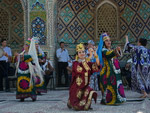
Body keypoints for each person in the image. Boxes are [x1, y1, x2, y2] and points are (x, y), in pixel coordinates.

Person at [67, 43, 100, 111]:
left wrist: (95, 53)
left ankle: (84, 104)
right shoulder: (75, 63)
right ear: (77, 54)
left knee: (89, 91)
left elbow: (97, 65)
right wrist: (90, 56)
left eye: (83, 52)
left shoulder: (88, 63)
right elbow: (79, 70)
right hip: (77, 86)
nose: (82, 53)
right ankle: (71, 102)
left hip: (85, 85)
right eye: (80, 52)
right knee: (76, 101)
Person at [97, 33, 126, 105]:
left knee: (117, 84)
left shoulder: (111, 49)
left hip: (115, 70)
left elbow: (119, 55)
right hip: (108, 71)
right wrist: (116, 50)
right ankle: (110, 100)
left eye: (109, 40)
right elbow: (109, 54)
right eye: (106, 41)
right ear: (104, 42)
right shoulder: (104, 50)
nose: (109, 42)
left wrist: (118, 50)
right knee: (111, 84)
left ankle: (118, 99)